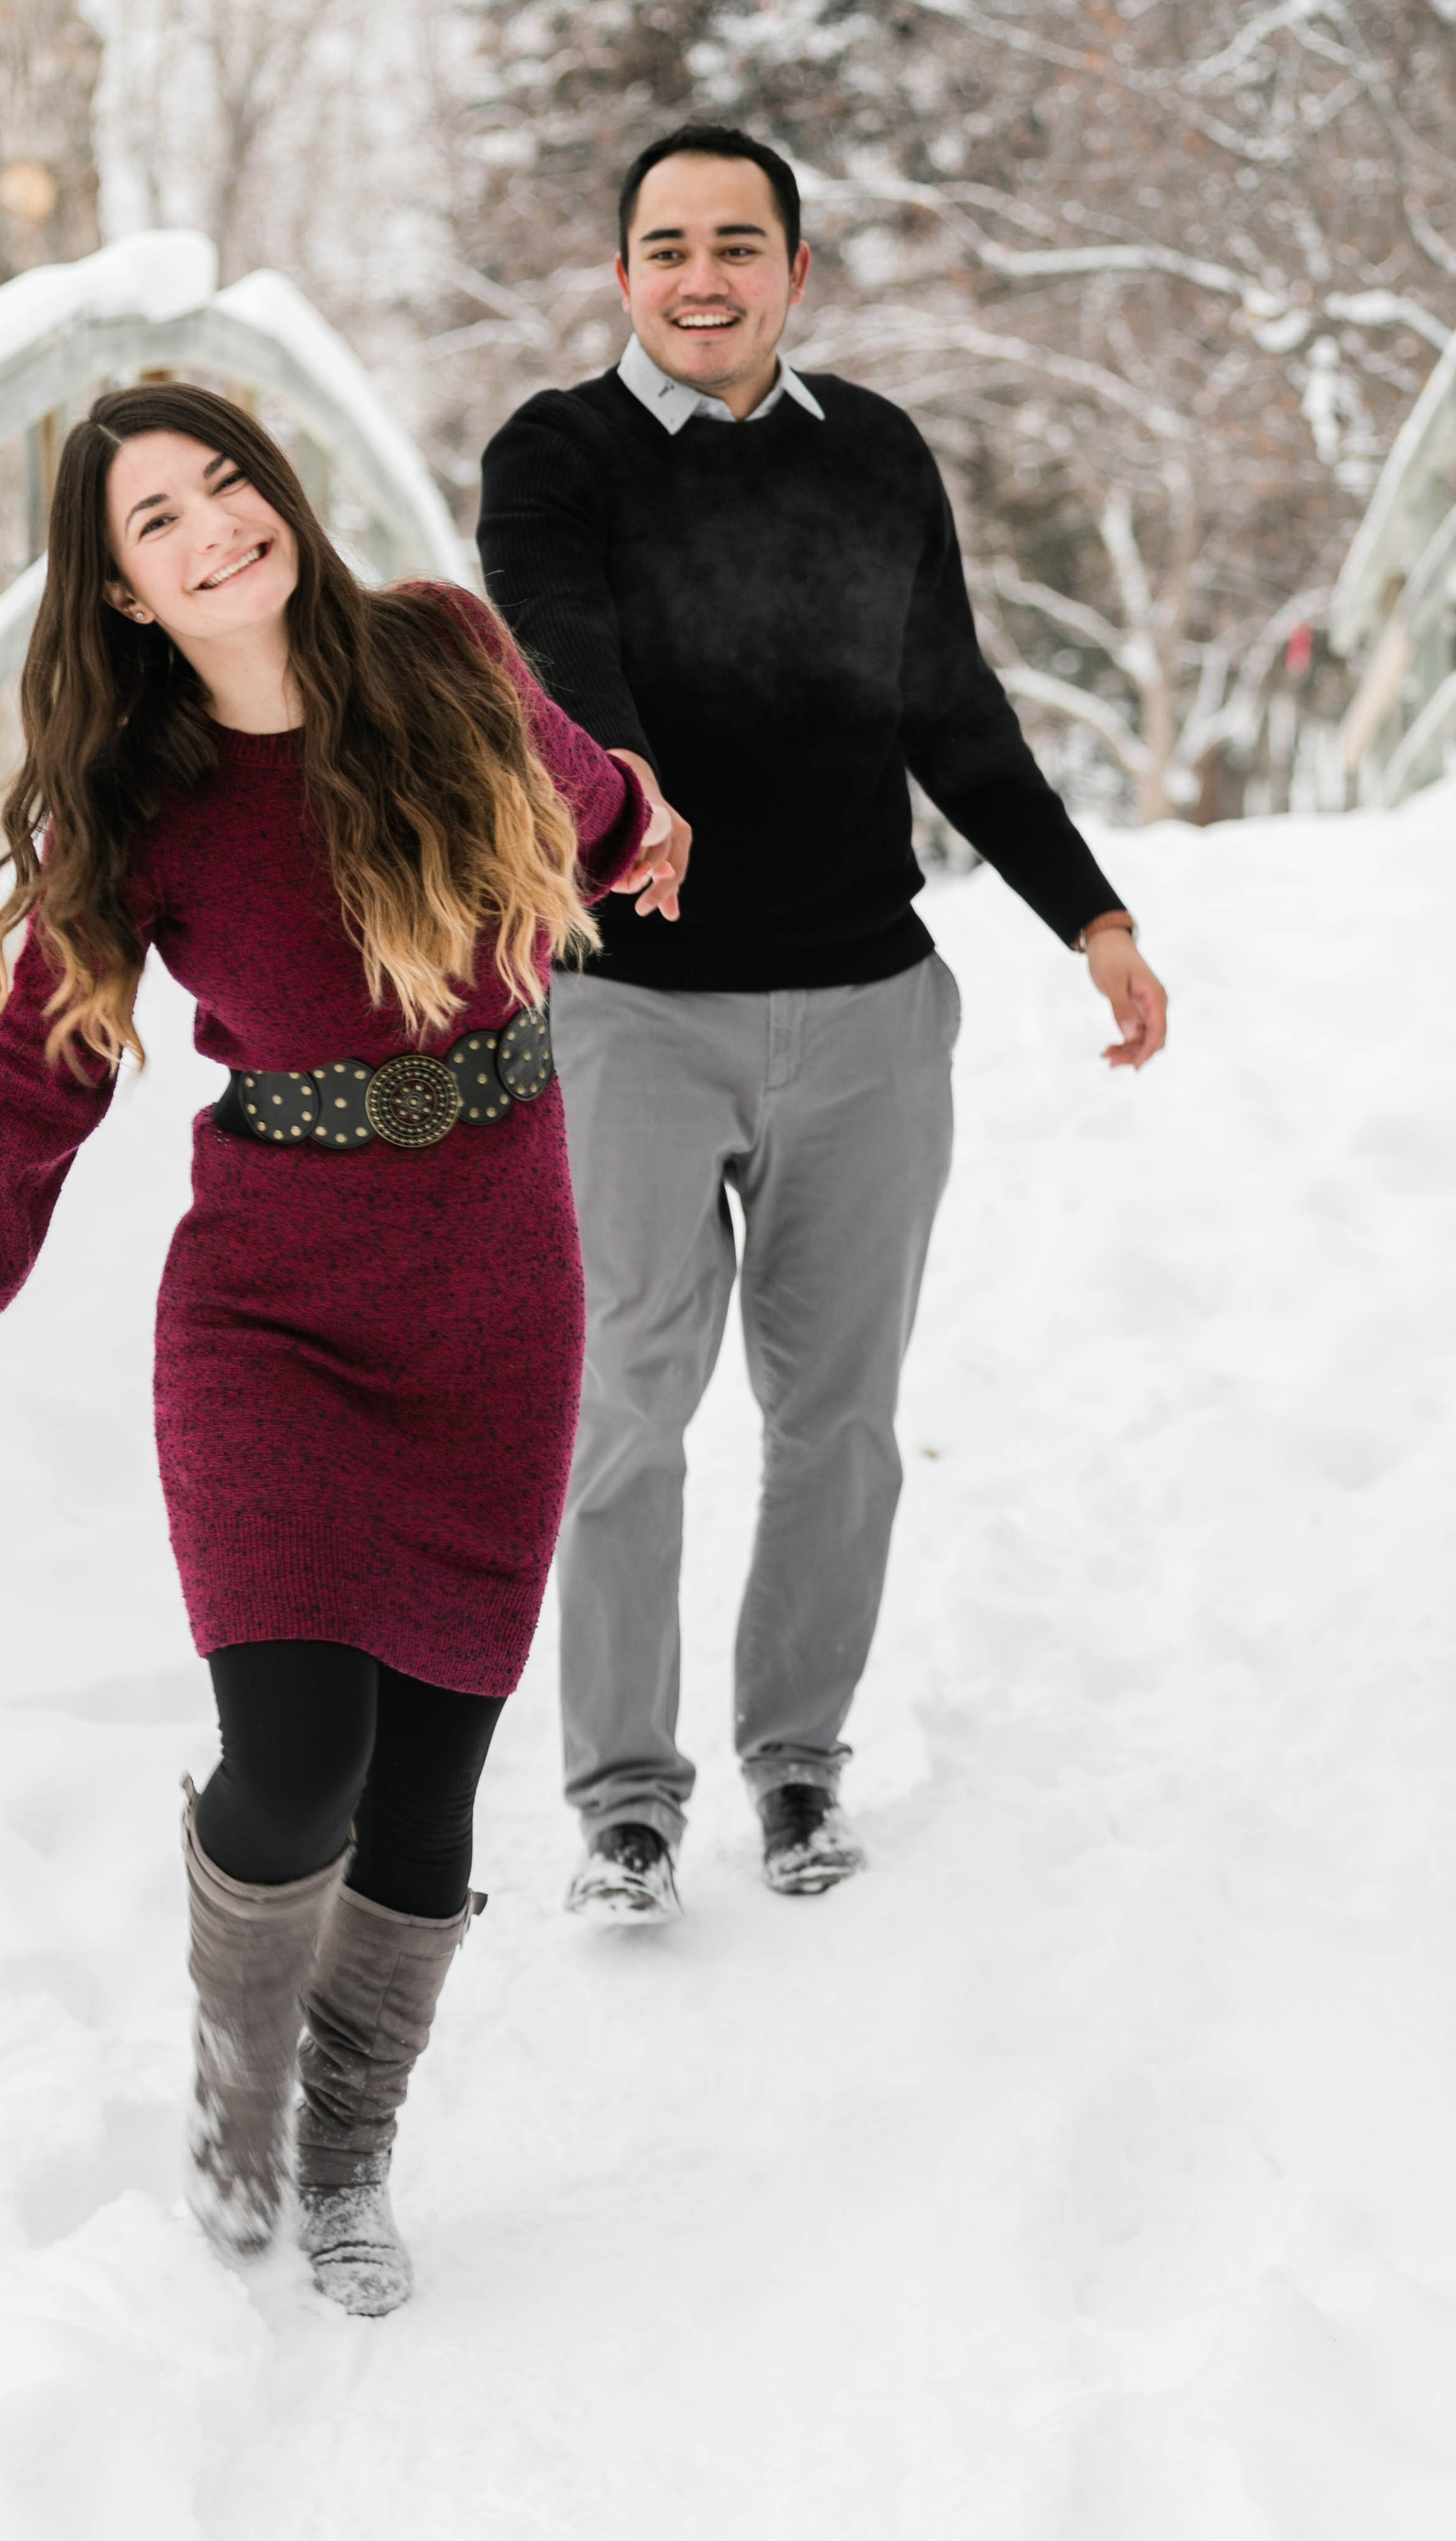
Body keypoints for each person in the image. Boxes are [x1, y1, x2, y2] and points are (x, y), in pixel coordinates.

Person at [0, 383, 676, 2311]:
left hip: (494, 1287)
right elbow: (36, 1066)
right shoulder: (143, 797)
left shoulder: (439, 653)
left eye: (226, 487)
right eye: (156, 524)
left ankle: (346, 2151)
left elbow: (577, 794)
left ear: (275, 495)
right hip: (270, 1303)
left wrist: (639, 810)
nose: (213, 532)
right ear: (118, 591)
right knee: (293, 1761)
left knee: (434, 1787)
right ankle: (237, 2070)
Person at [476, 122, 1168, 1925]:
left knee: (836, 1416)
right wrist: (621, 776)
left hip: (866, 1008)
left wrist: (1083, 910)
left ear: (794, 267)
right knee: (627, 1402)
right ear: (619, 273)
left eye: (735, 242)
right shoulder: (556, 453)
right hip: (630, 1017)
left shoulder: (872, 454)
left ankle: (795, 1765)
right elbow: (554, 645)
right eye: (663, 245)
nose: (698, 275)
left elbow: (950, 704)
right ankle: (622, 1800)